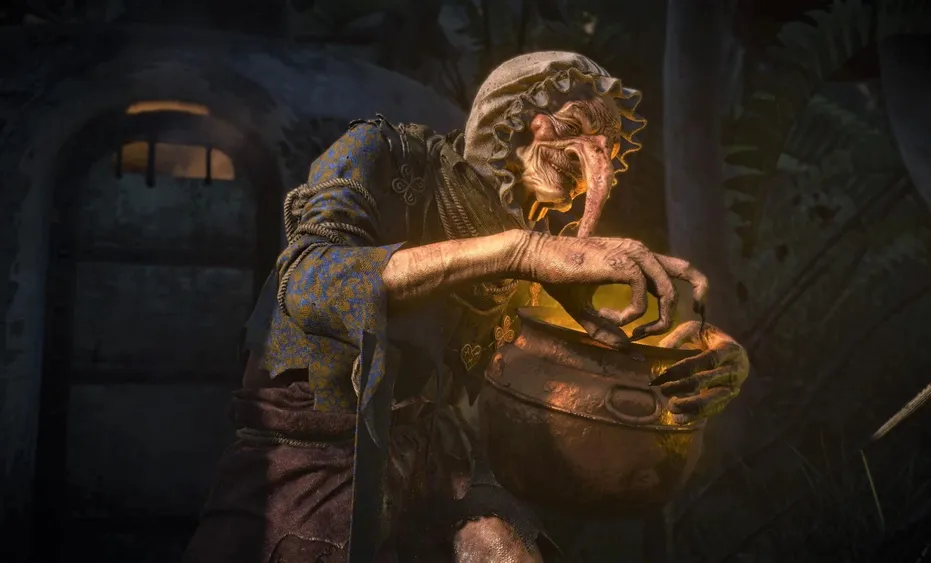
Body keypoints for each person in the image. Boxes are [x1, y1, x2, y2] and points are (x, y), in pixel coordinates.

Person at [183, 51, 750, 563]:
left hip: (429, 454)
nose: (594, 156)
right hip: (309, 455)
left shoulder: (526, 246)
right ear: (513, 117)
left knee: (504, 550)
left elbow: (585, 344)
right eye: (574, 126)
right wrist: (522, 252)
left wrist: (705, 351)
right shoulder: (384, 155)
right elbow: (310, 282)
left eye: (611, 148)